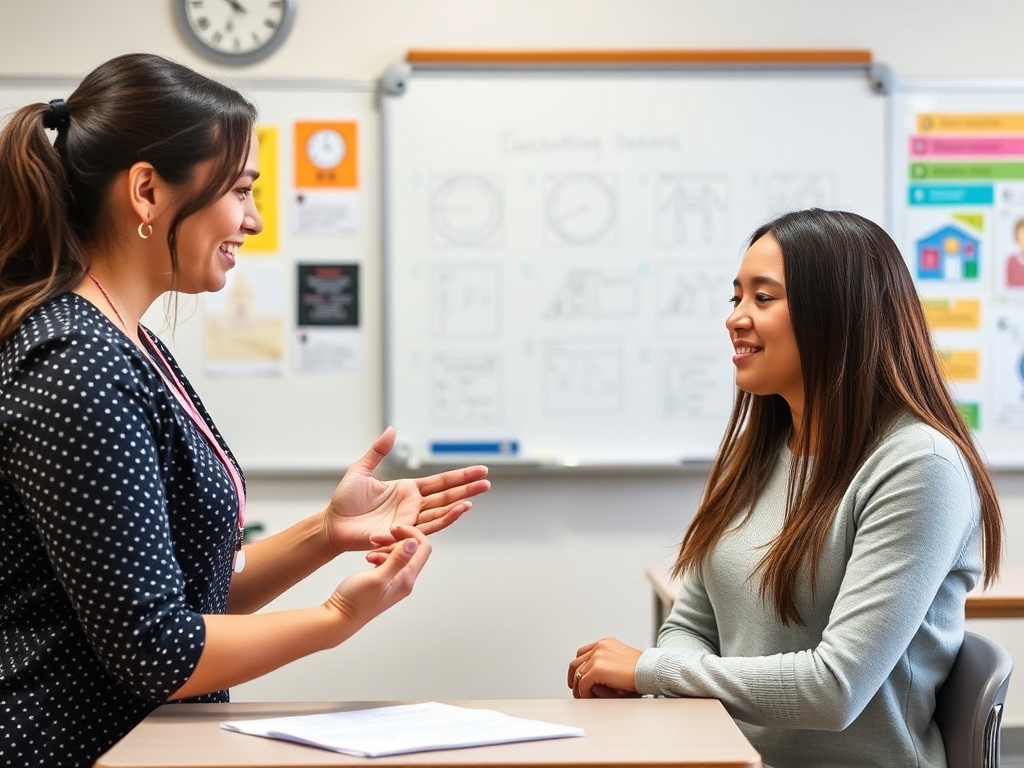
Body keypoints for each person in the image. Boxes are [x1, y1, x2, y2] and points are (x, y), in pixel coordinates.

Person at [0, 53, 490, 767]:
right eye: (240, 190)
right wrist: (336, 618)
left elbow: (185, 593)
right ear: (146, 191)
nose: (254, 220)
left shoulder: (123, 342)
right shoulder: (79, 361)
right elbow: (155, 649)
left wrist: (326, 532)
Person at [568, 208, 1003, 768]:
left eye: (763, 298)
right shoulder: (754, 456)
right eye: (736, 298)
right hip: (731, 759)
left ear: (837, 315)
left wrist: (651, 671)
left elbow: (834, 689)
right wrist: (665, 671)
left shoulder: (920, 465)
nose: (735, 318)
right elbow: (689, 626)